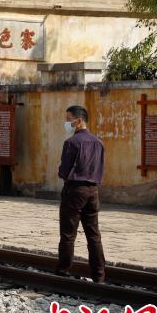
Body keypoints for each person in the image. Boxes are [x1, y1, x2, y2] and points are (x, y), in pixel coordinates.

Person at [56, 105, 107, 283]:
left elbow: (63, 171)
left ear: (78, 121)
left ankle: (63, 271)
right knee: (93, 235)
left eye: (69, 119)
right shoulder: (99, 143)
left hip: (74, 191)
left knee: (68, 234)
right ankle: (99, 275)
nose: (67, 123)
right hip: (93, 191)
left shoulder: (71, 143)